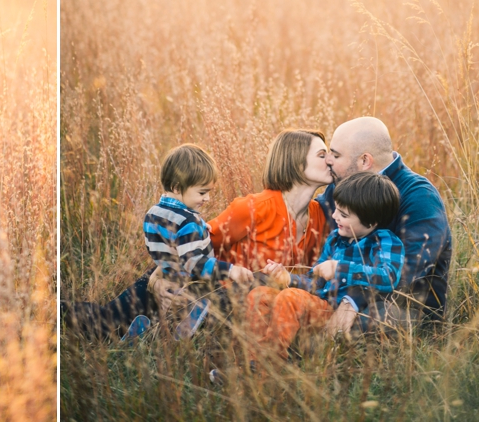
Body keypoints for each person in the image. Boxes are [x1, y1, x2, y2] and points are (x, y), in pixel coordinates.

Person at [62, 129, 332, 339]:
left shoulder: (322, 217)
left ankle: (152, 334)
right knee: (102, 321)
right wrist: (157, 280)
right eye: (322, 154)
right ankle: (49, 313)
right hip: (193, 285)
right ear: (296, 164)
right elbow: (189, 244)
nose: (329, 159)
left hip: (232, 309)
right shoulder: (252, 209)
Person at [246, 172, 404, 360]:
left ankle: (267, 362)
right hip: (317, 304)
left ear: (371, 222)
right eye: (336, 209)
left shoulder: (384, 241)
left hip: (338, 312)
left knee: (290, 297)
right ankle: (250, 361)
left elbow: (389, 277)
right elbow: (315, 282)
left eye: (343, 214)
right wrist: (288, 278)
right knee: (259, 295)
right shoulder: (336, 239)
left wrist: (340, 269)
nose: (335, 216)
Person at [317, 116, 451, 331]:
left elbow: (407, 270)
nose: (329, 160)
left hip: (405, 305)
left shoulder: (419, 197)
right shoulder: (343, 184)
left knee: (359, 323)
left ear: (364, 161)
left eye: (336, 154)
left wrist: (354, 298)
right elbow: (314, 217)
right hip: (340, 292)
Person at [144, 144, 253, 301]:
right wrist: (230, 270)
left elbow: (163, 244)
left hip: (170, 282)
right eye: (202, 192)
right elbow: (194, 263)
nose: (207, 198)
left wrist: (199, 229)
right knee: (235, 299)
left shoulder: (152, 213)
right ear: (177, 188)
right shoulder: (188, 222)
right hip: (196, 289)